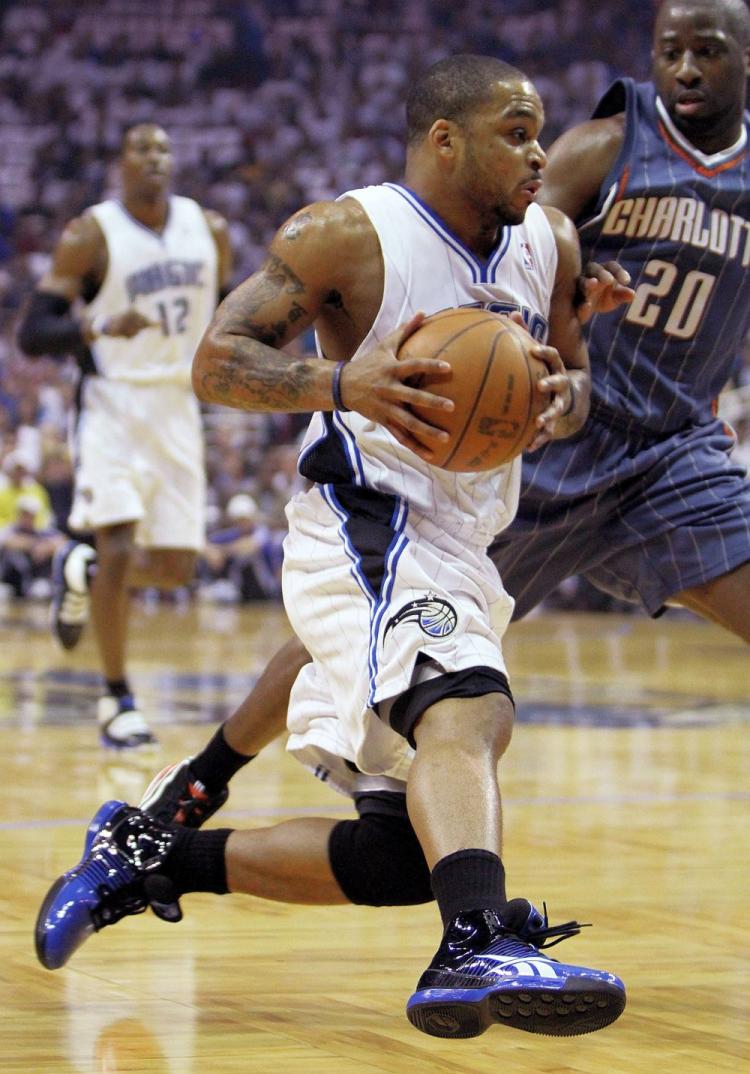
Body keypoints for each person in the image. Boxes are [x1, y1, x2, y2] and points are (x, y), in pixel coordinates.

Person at [36, 55, 626, 1041]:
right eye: (517, 132)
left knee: (396, 857)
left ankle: (153, 857)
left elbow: (571, 390)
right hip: (365, 512)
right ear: (447, 140)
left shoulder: (553, 242)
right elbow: (219, 361)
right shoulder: (346, 234)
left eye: (540, 133)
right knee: (466, 706)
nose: (540, 154)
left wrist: (562, 401)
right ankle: (475, 937)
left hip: (468, 529)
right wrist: (343, 388)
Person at [136, 0, 750, 824]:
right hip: (522, 449)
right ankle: (204, 779)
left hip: (664, 450)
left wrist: (573, 337)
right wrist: (553, 307)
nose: (683, 67)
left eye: (705, 50)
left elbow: (551, 267)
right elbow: (510, 235)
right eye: (668, 49)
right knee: (392, 640)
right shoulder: (606, 147)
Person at [17, 123, 233, 748]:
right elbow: (34, 331)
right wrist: (99, 325)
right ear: (120, 163)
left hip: (178, 404)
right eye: (141, 148)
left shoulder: (210, 230)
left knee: (173, 568)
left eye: (165, 148)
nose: (155, 158)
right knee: (117, 546)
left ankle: (78, 568)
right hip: (113, 401)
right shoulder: (92, 233)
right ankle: (117, 699)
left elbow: (224, 316)